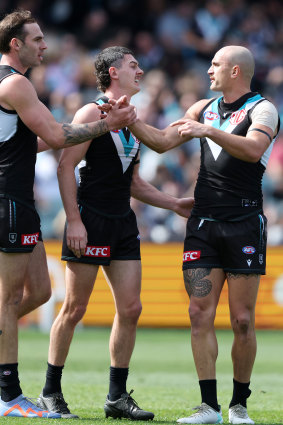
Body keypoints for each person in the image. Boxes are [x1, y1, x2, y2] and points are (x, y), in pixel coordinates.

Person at [113, 45, 279, 424]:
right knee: (198, 313)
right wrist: (129, 119)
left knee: (242, 320)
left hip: (244, 224)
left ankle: (239, 405)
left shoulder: (263, 109)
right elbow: (162, 141)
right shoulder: (202, 108)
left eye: (216, 64)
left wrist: (208, 132)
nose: (208, 70)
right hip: (202, 224)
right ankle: (210, 407)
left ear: (236, 71)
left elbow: (254, 150)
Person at [36, 45, 194, 420]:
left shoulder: (132, 118)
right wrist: (73, 220)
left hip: (122, 221)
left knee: (131, 308)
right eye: (133, 65)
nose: (140, 70)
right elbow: (65, 167)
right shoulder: (93, 111)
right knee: (74, 309)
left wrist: (173, 204)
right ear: (113, 73)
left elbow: (133, 181)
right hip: (89, 220)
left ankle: (116, 397)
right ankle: (49, 392)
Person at [0, 10, 136, 419]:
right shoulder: (16, 83)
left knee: (39, 293)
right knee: (8, 299)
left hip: (21, 201)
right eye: (37, 39)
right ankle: (9, 395)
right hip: (9, 199)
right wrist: (104, 125)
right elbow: (57, 138)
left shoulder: (16, 84)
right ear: (15, 44)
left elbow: (34, 143)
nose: (46, 45)